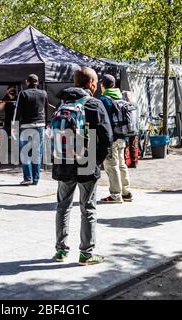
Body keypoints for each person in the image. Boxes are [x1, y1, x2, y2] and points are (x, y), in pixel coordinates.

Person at [53, 66, 113, 266]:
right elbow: (106, 137)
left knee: (63, 206)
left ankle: (61, 250)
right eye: (95, 82)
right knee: (88, 208)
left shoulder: (62, 103)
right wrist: (96, 160)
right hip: (86, 160)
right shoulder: (94, 104)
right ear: (90, 83)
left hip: (63, 160)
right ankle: (86, 254)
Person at [99, 74, 132, 204]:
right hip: (122, 137)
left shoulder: (103, 99)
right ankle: (126, 192)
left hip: (111, 137)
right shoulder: (121, 97)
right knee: (121, 164)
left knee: (111, 165)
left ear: (102, 85)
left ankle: (115, 194)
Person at [13, 74, 50, 186]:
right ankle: (36, 179)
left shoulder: (23, 93)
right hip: (40, 125)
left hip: (26, 126)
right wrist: (47, 124)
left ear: (27, 82)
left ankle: (27, 178)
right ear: (37, 82)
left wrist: (14, 126)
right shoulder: (44, 93)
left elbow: (17, 111)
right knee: (37, 152)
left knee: (25, 152)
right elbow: (47, 109)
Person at [122, 91, 138, 168]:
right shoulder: (135, 105)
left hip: (126, 128)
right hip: (134, 128)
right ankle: (134, 162)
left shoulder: (123, 105)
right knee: (132, 145)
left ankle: (124, 162)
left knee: (125, 146)